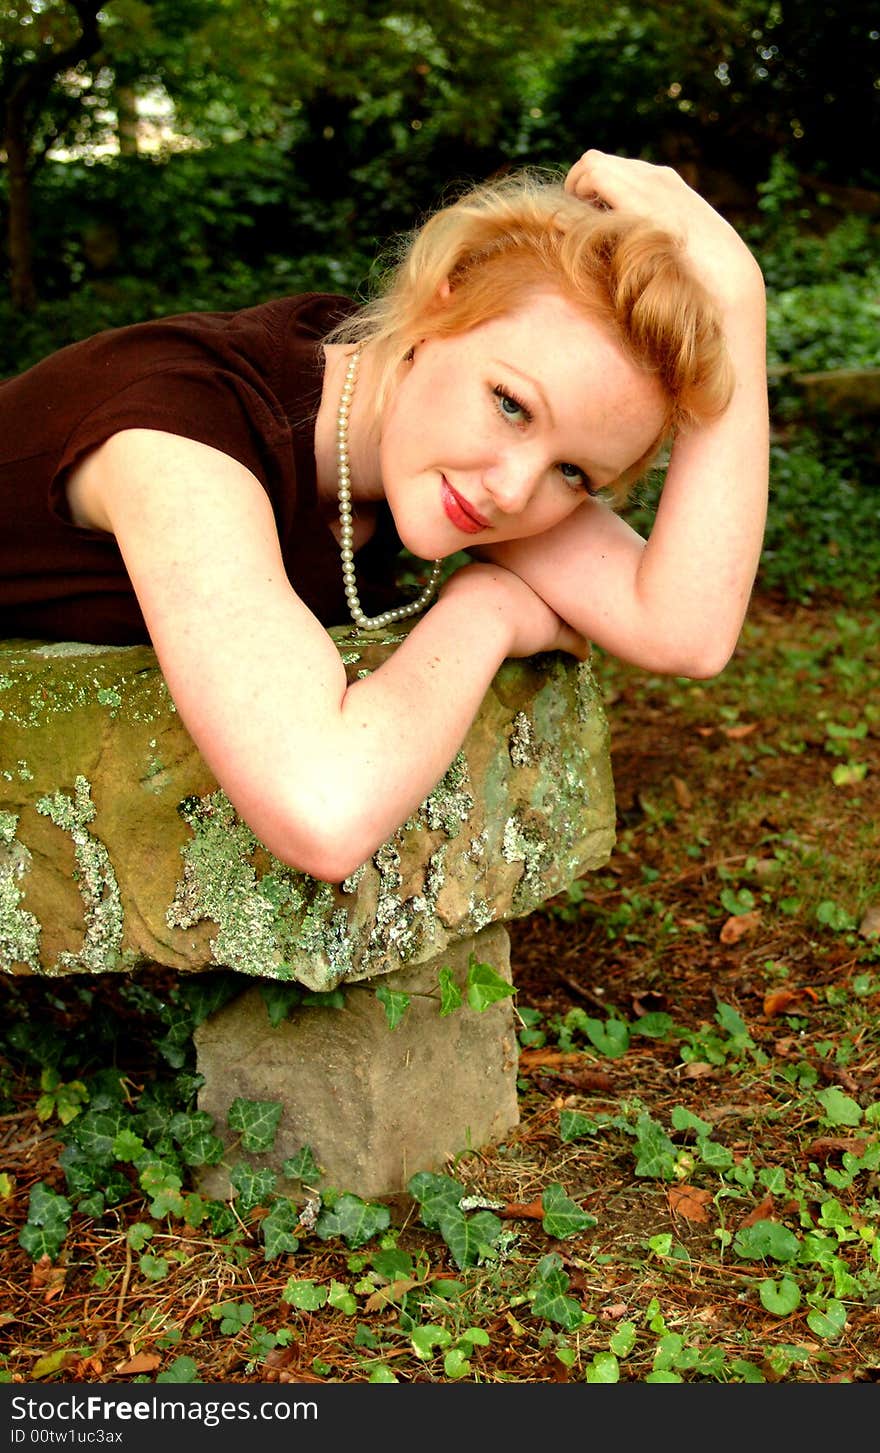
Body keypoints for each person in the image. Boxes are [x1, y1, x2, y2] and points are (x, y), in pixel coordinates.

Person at [0, 151, 768, 882]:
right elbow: (323, 807)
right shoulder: (183, 437)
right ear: (443, 305)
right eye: (511, 405)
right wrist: (486, 610)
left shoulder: (406, 420)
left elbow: (684, 629)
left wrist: (737, 300)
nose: (511, 491)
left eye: (576, 472)